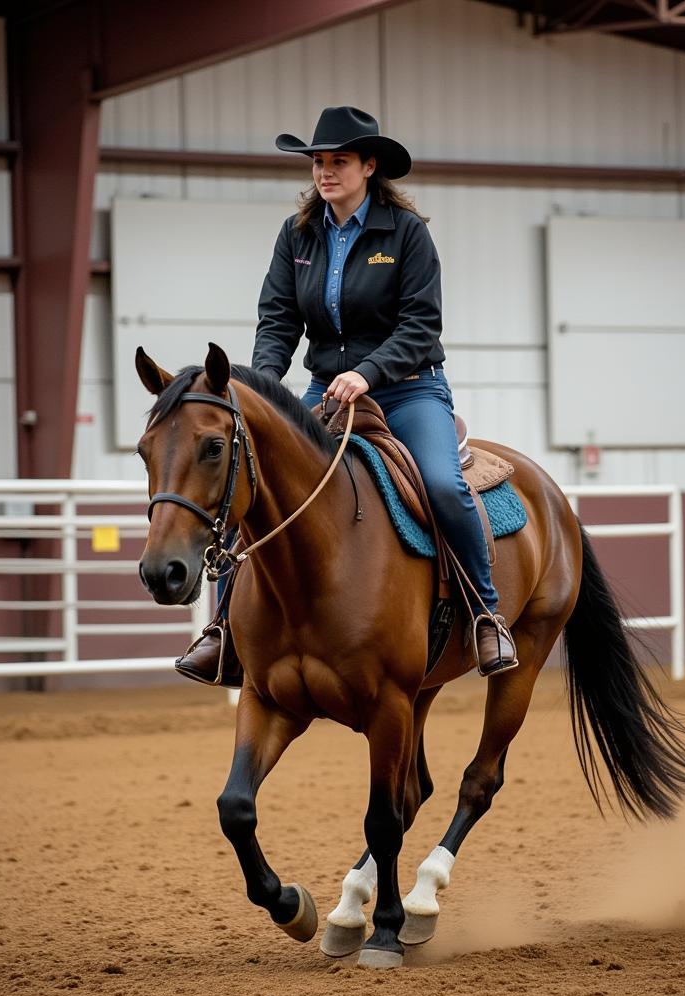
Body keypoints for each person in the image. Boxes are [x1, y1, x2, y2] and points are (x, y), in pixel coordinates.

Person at [175, 106, 517, 685]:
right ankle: (225, 629)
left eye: (338, 161)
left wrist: (368, 371)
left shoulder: (406, 234)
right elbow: (278, 319)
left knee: (441, 483)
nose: (325, 172)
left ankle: (486, 613)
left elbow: (421, 327)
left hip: (408, 389)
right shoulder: (298, 234)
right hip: (324, 392)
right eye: (317, 161)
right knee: (249, 476)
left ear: (368, 165)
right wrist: (260, 386)